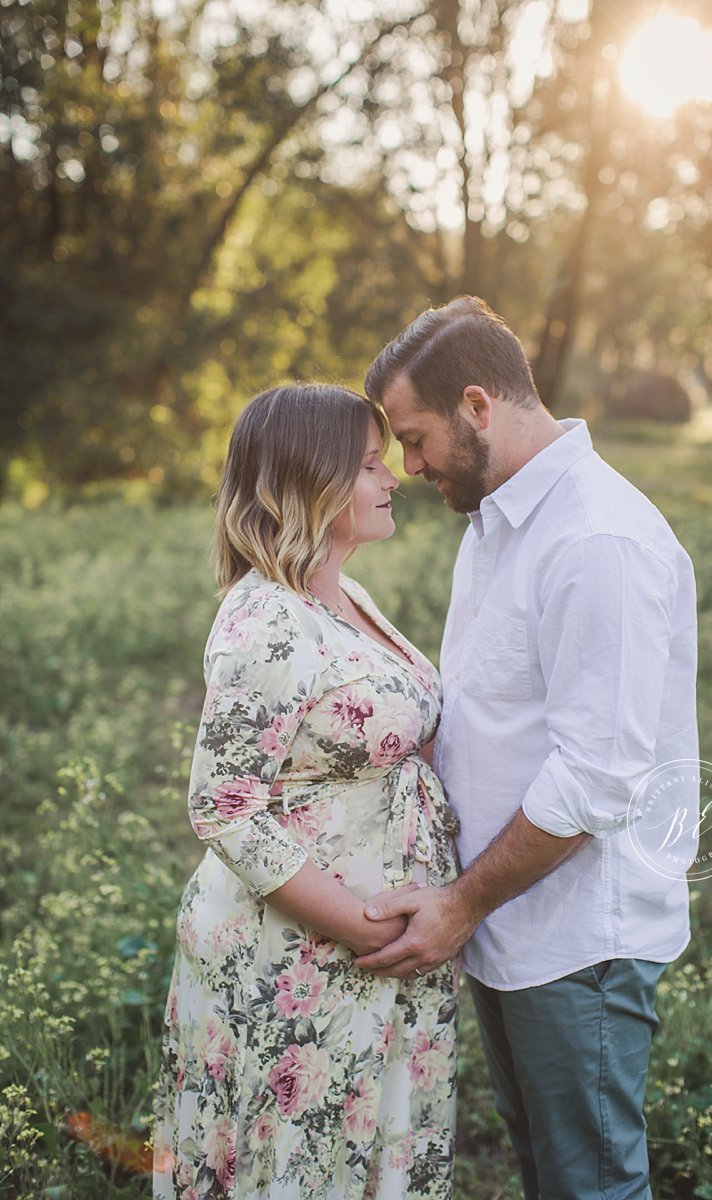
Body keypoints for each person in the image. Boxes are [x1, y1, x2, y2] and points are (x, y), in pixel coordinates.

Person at [358, 298, 698, 1200]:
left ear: (477, 405)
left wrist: (462, 904)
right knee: (547, 1169)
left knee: (590, 1182)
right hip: (507, 916)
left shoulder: (596, 539)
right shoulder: (496, 521)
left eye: (415, 437)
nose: (409, 464)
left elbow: (596, 780)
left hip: (576, 936)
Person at [153, 383, 459, 1200]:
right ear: (308, 481)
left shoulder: (343, 594)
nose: (393, 476)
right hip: (299, 955)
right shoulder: (267, 620)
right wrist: (368, 930)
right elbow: (223, 805)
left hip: (369, 953)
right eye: (368, 463)